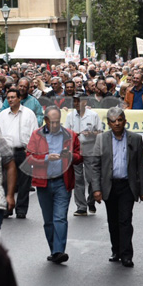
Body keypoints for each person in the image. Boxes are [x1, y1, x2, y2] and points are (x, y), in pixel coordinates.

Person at [90, 107, 143, 268]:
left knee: (125, 220)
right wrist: (96, 189)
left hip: (127, 186)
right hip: (109, 186)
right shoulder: (101, 139)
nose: (117, 123)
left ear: (125, 121)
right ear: (108, 124)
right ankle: (116, 250)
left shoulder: (135, 139)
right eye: (113, 121)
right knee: (113, 221)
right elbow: (95, 166)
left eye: (119, 120)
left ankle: (127, 254)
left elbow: (140, 165)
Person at [25, 106, 82, 264]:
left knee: (60, 218)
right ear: (46, 120)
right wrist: (45, 158)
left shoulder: (70, 135)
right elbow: (29, 158)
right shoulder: (36, 135)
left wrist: (71, 156)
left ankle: (59, 251)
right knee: (49, 221)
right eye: (52, 122)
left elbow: (80, 156)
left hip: (62, 182)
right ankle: (54, 250)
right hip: (43, 183)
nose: (55, 125)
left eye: (58, 122)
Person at [0, 87, 38, 219]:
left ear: (19, 98)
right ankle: (6, 208)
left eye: (13, 97)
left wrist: (31, 150)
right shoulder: (2, 115)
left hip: (24, 151)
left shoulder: (29, 114)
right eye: (8, 98)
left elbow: (35, 133)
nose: (10, 100)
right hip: (7, 152)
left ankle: (21, 209)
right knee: (5, 181)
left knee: (25, 182)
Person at [63, 94, 104, 216]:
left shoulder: (93, 115)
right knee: (77, 179)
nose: (76, 103)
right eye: (74, 101)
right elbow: (65, 133)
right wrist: (73, 135)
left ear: (85, 102)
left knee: (92, 178)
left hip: (90, 148)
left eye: (78, 101)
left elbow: (101, 132)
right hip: (75, 149)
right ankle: (81, 206)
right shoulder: (70, 116)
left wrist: (91, 133)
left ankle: (91, 200)